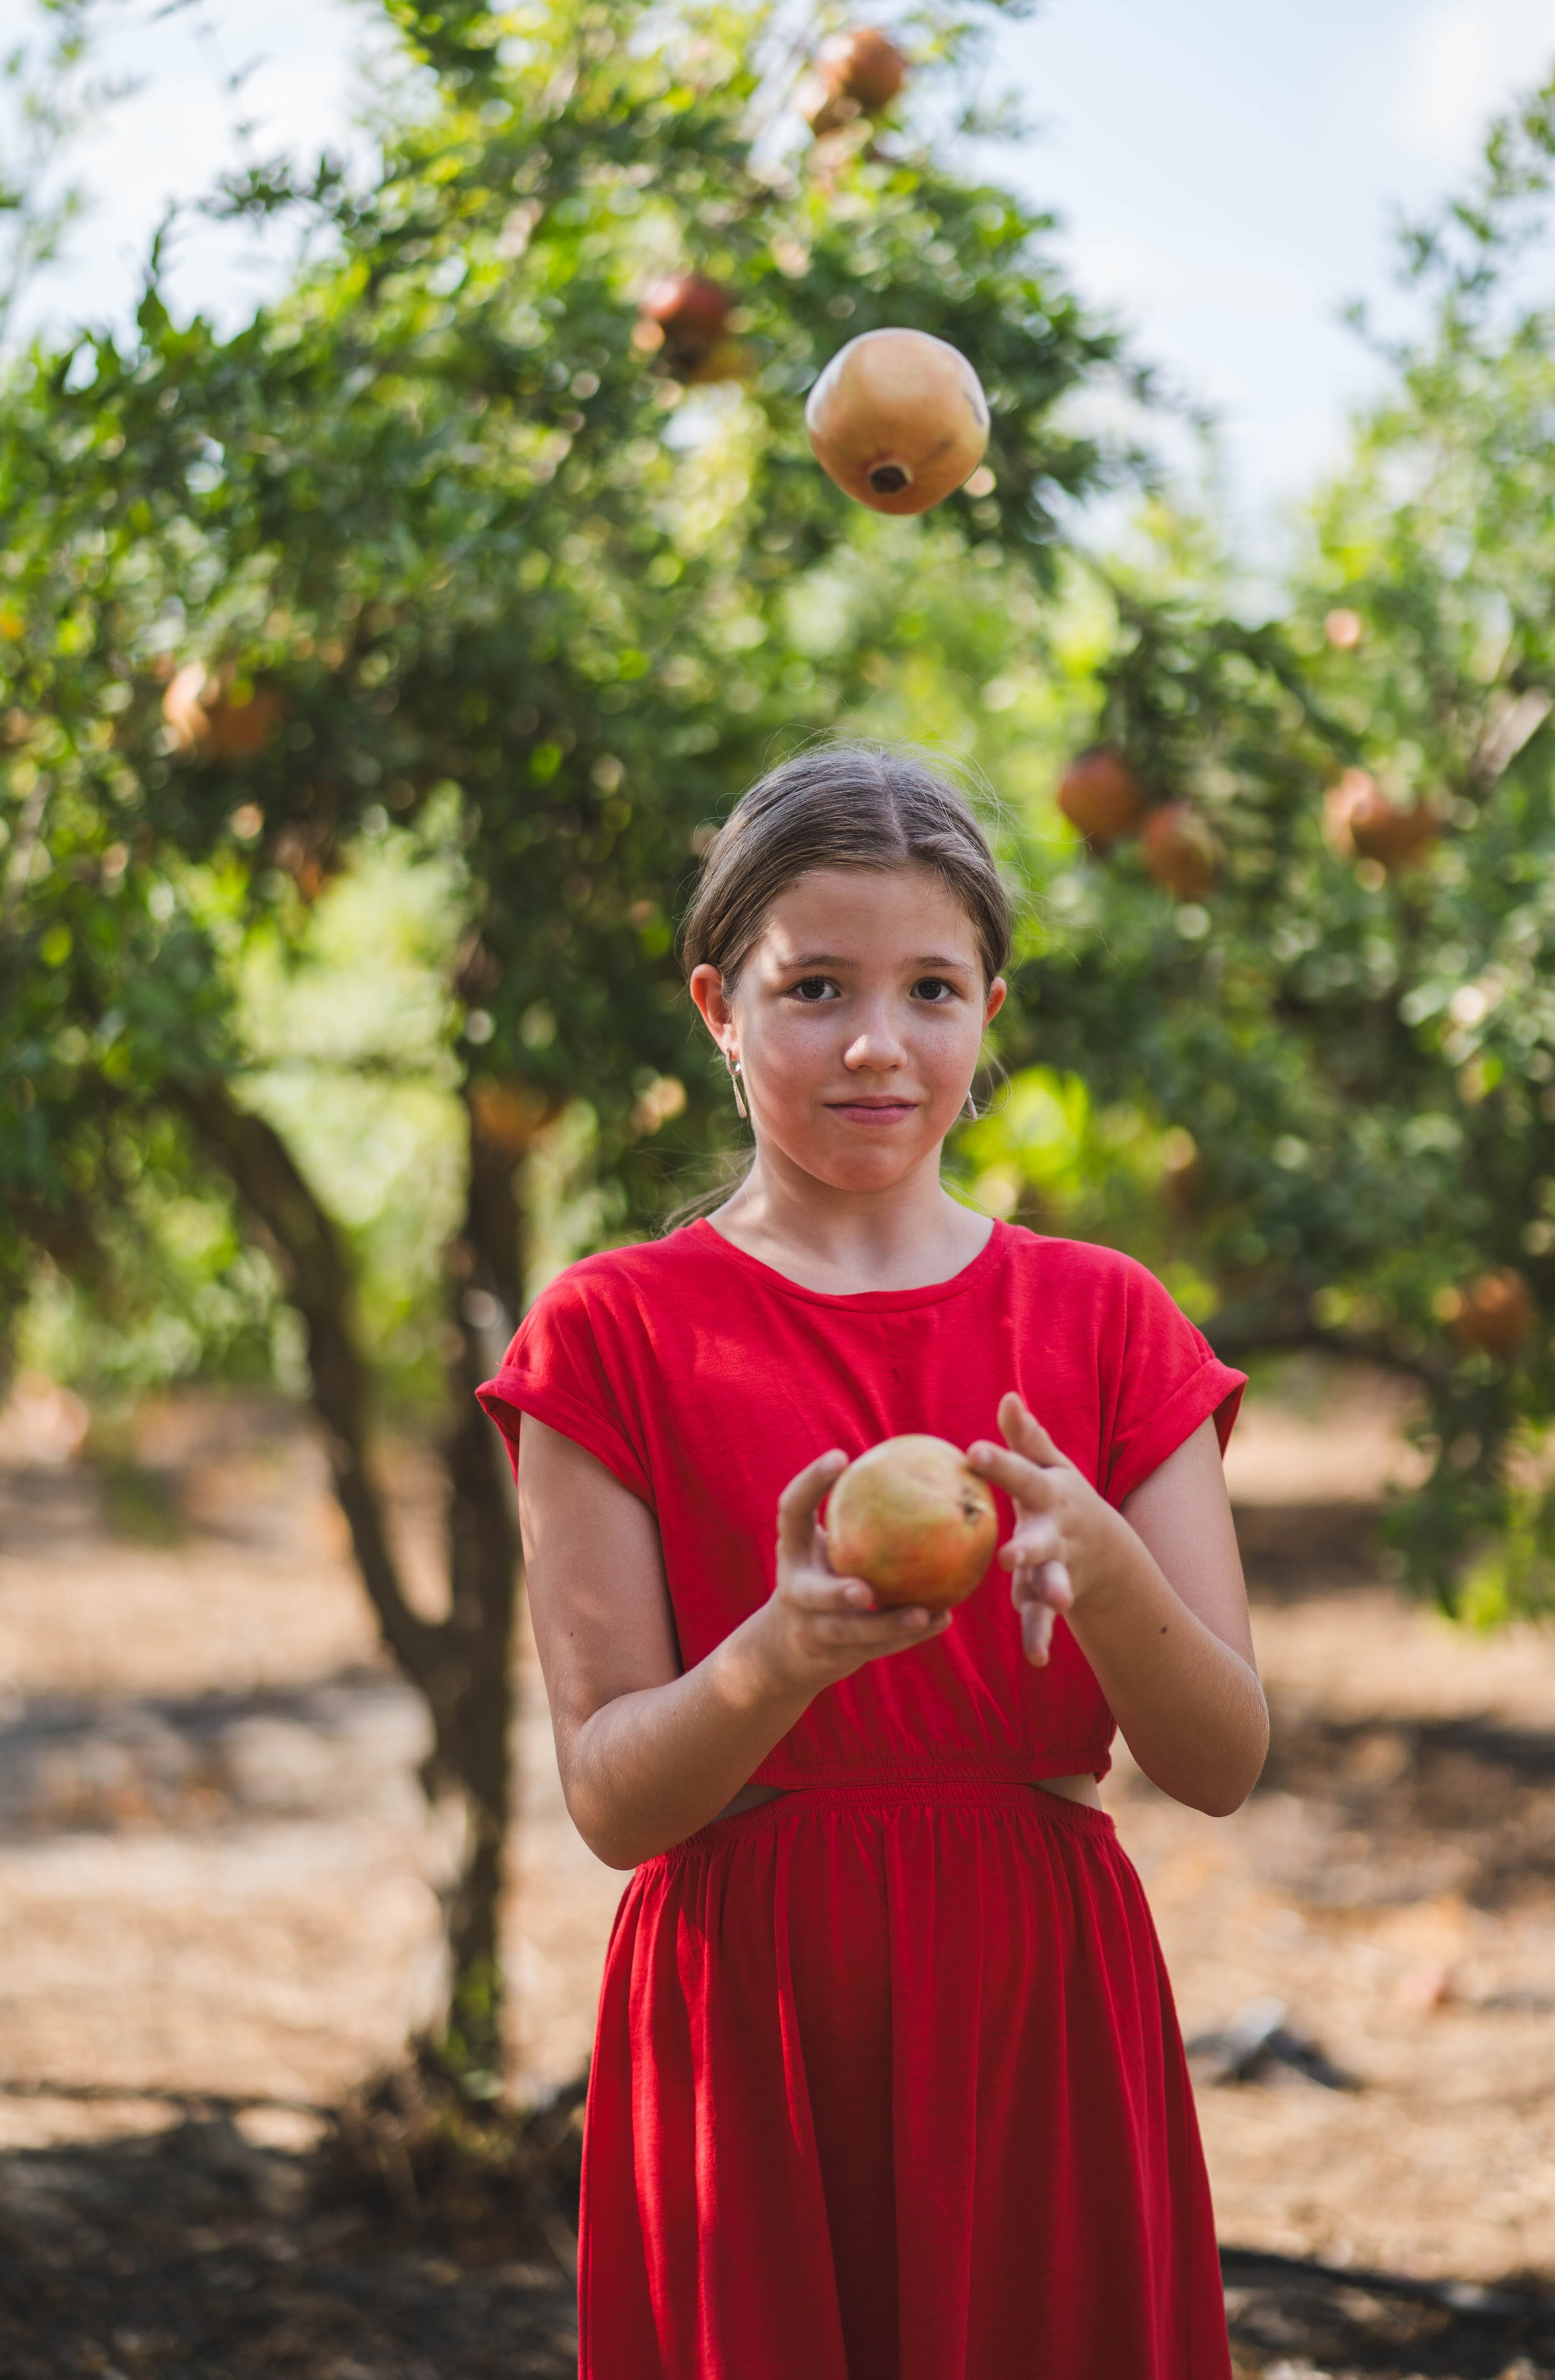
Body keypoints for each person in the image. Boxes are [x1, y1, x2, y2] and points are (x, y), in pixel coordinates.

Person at [479, 743, 1268, 2380]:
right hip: (747, 2018)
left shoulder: (1103, 1320)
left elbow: (1219, 1760)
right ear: (718, 1006)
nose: (872, 1044)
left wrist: (1108, 1575)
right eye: (813, 986)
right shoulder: (613, 1334)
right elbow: (616, 1802)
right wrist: (779, 1654)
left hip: (1032, 2003)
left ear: (989, 1011)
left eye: (928, 988)